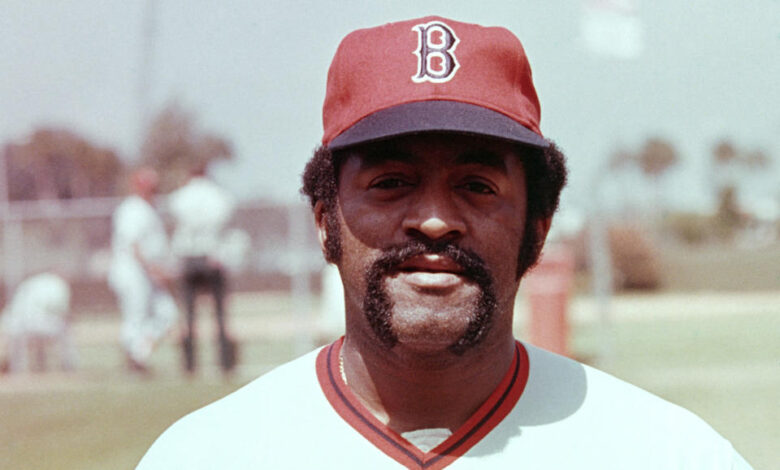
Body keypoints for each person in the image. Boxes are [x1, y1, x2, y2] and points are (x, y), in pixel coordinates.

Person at [137, 16, 753, 469]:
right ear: (325, 220)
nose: (434, 220)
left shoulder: (668, 454)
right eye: (392, 182)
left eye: (477, 185)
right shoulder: (207, 455)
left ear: (537, 227)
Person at [167, 163, 238, 374]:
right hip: (211, 256)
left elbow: (176, 219)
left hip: (188, 257)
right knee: (219, 314)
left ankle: (190, 365)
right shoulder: (218, 196)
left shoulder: (179, 197)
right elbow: (225, 223)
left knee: (188, 314)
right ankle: (224, 363)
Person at [108, 167, 178, 374]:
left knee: (168, 315)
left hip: (148, 274)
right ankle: (134, 359)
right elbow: (134, 246)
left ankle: (137, 354)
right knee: (135, 317)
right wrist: (154, 270)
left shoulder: (149, 209)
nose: (152, 191)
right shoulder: (132, 209)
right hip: (133, 272)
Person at [1, 272, 75, 373]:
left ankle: (16, 368)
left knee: (17, 340)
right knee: (66, 331)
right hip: (43, 325)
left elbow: (12, 312)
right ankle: (68, 365)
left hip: (20, 326)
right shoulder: (59, 284)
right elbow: (62, 310)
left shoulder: (29, 283)